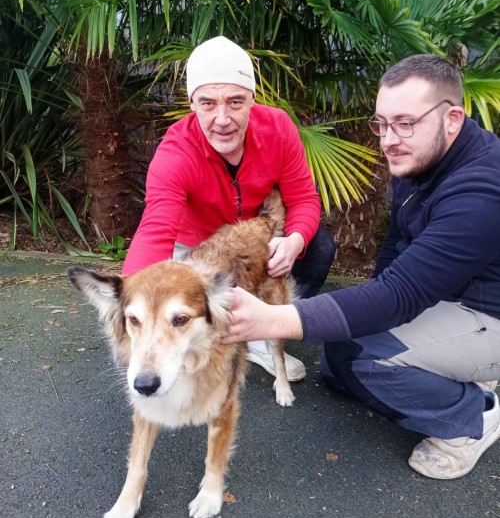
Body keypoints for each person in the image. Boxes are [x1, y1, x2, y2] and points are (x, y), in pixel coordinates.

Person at [223, 54, 500, 480]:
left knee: (362, 362)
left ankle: (472, 417)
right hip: (447, 294)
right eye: (382, 123)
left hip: (487, 314)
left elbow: (400, 295)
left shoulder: (481, 192)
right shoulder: (420, 155)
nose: (389, 139)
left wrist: (272, 319)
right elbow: (396, 244)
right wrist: (369, 323)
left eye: (405, 123)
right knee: (340, 357)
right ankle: (454, 377)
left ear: (452, 119)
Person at [123, 35, 335, 381]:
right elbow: (155, 229)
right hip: (194, 247)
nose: (222, 118)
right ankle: (201, 338)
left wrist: (295, 241)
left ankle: (265, 328)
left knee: (320, 246)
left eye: (235, 101)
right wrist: (132, 297)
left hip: (252, 236)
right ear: (192, 103)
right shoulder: (176, 152)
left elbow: (304, 199)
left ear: (252, 99)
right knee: (174, 294)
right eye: (207, 103)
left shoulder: (278, 128)